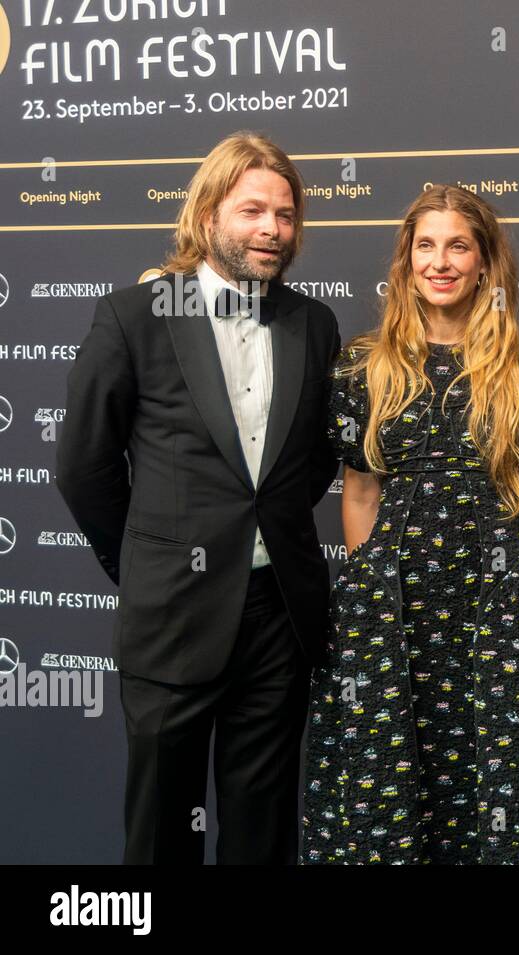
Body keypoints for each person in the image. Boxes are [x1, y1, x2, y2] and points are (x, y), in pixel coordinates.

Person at [56, 132, 341, 864]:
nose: (272, 230)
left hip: (277, 616)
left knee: (262, 828)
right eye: (252, 211)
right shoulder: (135, 315)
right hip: (171, 615)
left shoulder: (314, 324)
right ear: (209, 213)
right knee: (160, 834)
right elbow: (84, 465)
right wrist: (147, 565)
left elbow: (307, 465)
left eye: (285, 214)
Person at [301, 185, 519, 864]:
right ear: (405, 262)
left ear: (485, 261)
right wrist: (375, 589)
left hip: (502, 605)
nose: (441, 261)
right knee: (396, 773)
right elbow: (361, 491)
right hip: (393, 609)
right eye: (425, 246)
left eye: (458, 245)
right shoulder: (363, 365)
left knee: (499, 770)